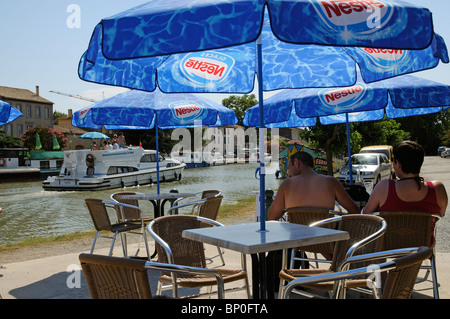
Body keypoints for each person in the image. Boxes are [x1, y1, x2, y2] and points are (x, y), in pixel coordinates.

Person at [268, 151, 360, 220]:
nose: (289, 174)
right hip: (328, 241)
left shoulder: (287, 184)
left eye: (289, 168)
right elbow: (355, 211)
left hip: (298, 242)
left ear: (296, 162)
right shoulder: (331, 182)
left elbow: (272, 216)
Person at [364, 141, 447, 216]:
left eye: (393, 161)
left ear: (399, 164)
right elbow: (441, 215)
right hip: (424, 233)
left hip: (390, 233)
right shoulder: (438, 188)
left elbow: (366, 215)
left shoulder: (384, 187)